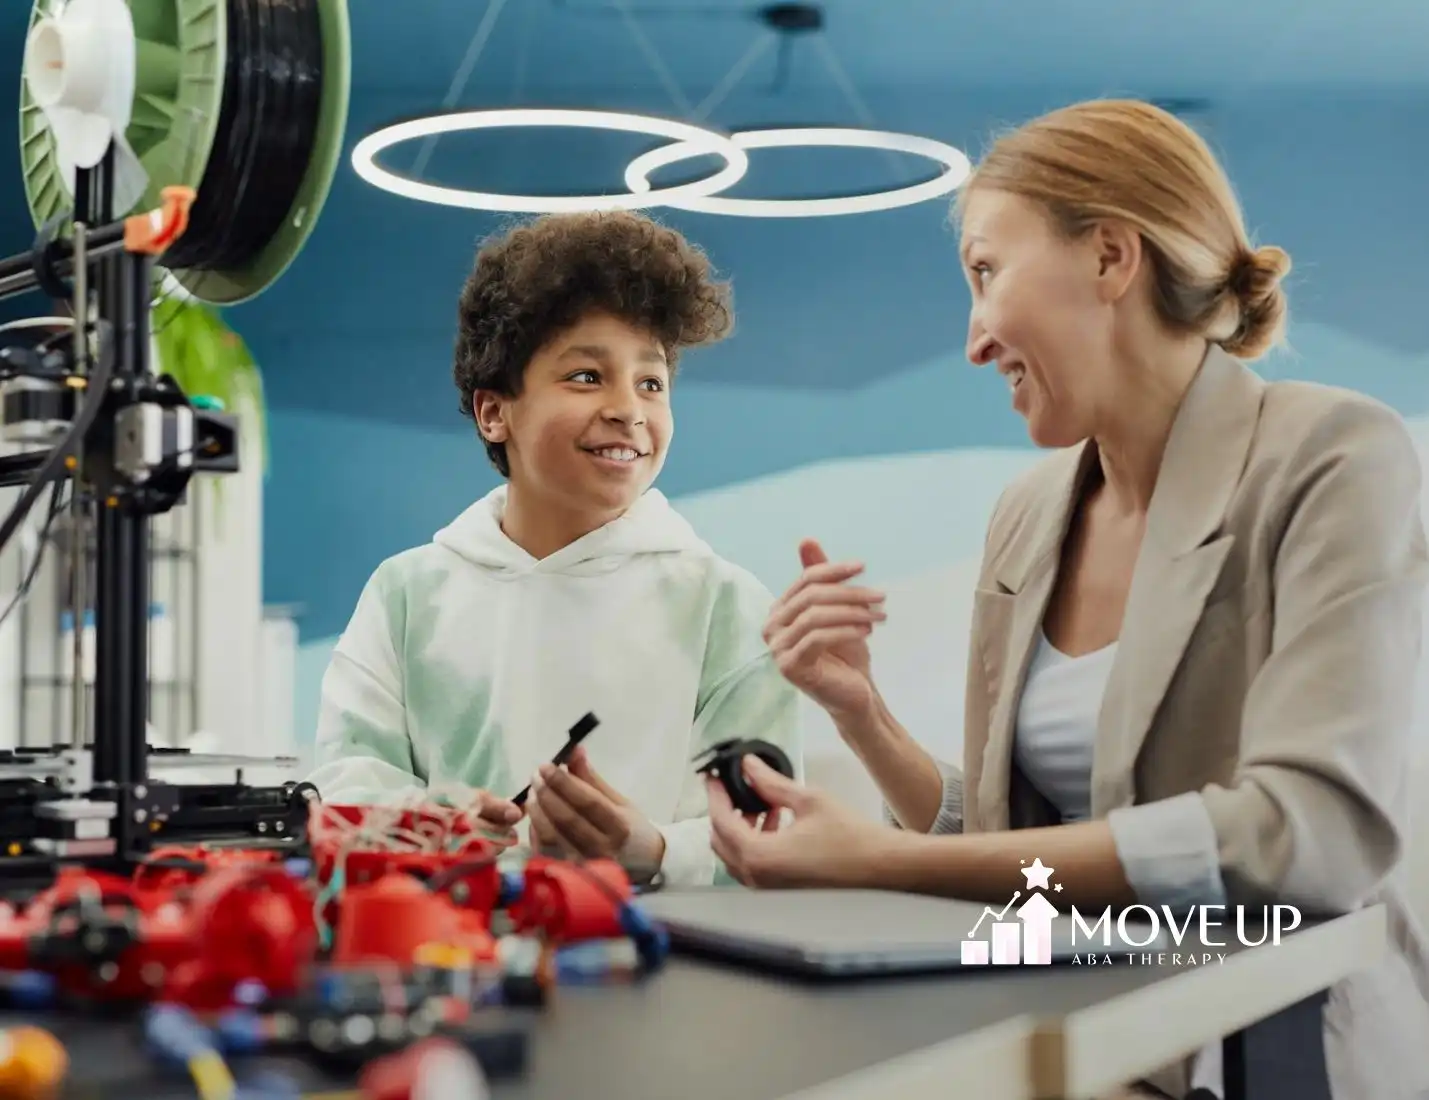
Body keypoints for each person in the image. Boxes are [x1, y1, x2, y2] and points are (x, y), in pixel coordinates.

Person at [705, 99, 1429, 1099]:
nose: (971, 339)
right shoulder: (1027, 514)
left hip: (1278, 1051)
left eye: (984, 272)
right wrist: (859, 713)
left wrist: (880, 861)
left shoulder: (1334, 455)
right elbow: (1018, 850)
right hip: (1088, 1043)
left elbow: (1304, 836)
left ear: (1109, 257)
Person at [309, 210, 801, 888]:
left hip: (671, 966)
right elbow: (345, 784)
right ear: (494, 412)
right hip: (442, 951)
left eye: (650, 382)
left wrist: (650, 848)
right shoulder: (406, 594)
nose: (628, 408)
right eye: (585, 377)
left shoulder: (726, 605)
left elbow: (770, 830)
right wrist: (436, 822)